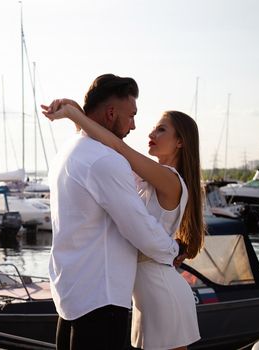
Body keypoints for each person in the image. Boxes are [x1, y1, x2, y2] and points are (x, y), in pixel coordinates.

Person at [42, 89, 205, 349]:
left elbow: (116, 146)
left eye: (161, 130)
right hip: (143, 291)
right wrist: (78, 118)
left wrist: (76, 114)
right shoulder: (148, 176)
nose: (150, 134)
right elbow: (106, 151)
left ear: (180, 142)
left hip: (159, 288)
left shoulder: (169, 179)